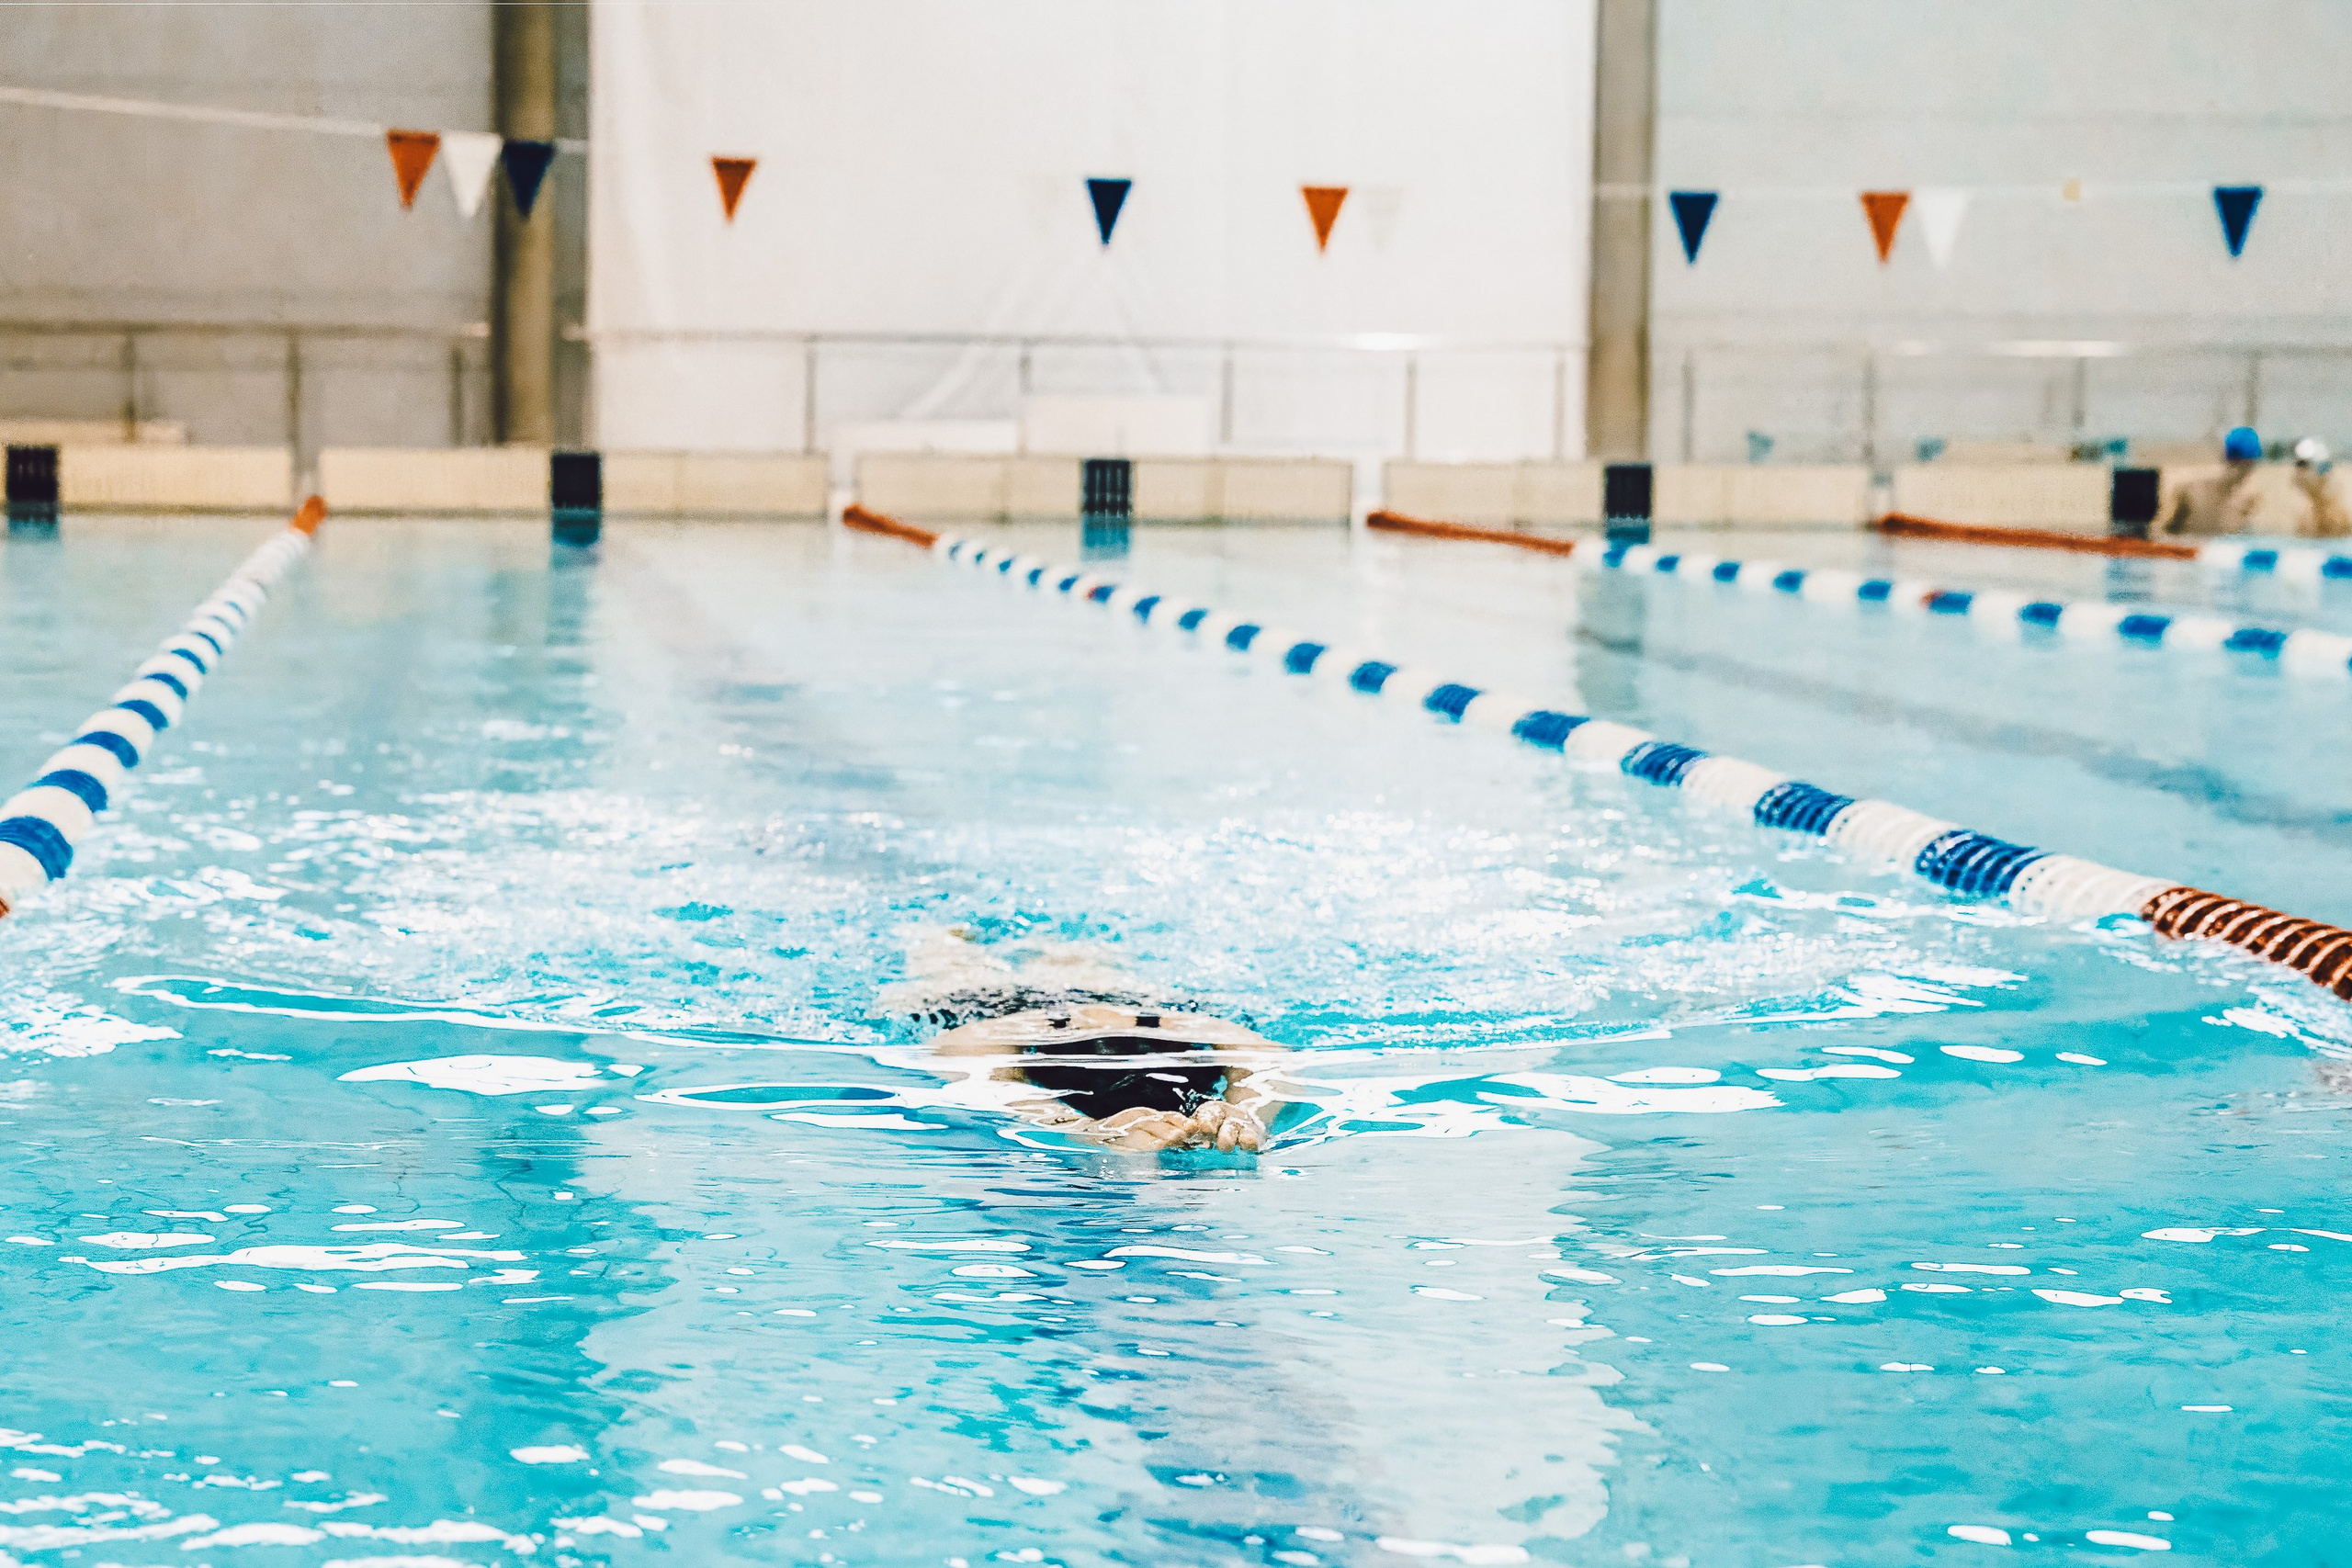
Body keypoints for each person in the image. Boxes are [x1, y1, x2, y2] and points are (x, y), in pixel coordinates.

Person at [881, 927, 1282, 1153]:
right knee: (947, 973)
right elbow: (959, 1055)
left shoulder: (1179, 1031)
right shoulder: (1179, 1029)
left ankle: (1040, 949)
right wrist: (1078, 1128)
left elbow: (959, 1061)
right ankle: (941, 941)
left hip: (1093, 1014)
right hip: (1019, 1016)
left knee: (1074, 966)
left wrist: (1247, 1114)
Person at [2160, 424, 2263, 536]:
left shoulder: (2248, 499)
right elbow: (2165, 532)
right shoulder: (2189, 490)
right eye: (2244, 465)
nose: (2241, 471)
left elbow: (2165, 532)